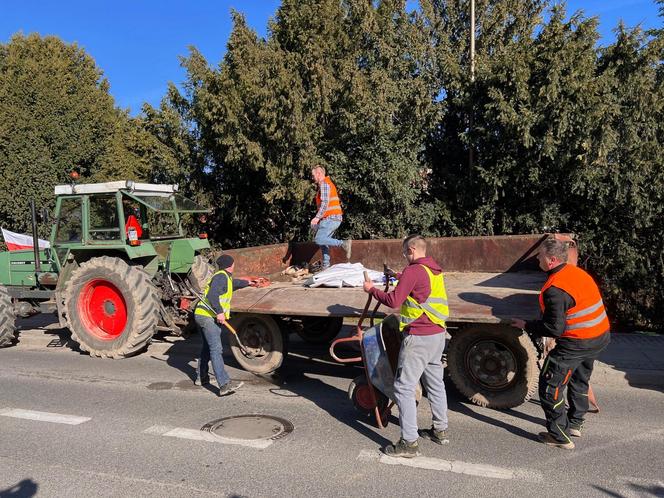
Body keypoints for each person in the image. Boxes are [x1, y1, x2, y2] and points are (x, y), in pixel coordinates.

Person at [511, 239, 610, 450]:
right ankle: (575, 422)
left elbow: (553, 329)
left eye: (540, 255)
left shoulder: (555, 289)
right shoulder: (577, 274)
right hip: (598, 336)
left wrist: (526, 324)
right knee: (580, 379)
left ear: (552, 260)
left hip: (577, 342)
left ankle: (559, 435)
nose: (537, 258)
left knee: (550, 386)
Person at [363, 235, 450, 458]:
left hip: (419, 337)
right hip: (437, 335)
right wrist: (397, 276)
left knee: (403, 387)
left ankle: (409, 443)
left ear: (411, 250)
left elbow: (393, 301)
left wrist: (371, 289)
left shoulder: (414, 271)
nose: (404, 257)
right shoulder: (433, 270)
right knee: (436, 383)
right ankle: (440, 430)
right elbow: (420, 286)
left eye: (404, 253)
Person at [194, 254, 249, 396]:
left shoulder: (225, 277)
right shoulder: (220, 277)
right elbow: (212, 295)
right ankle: (224, 384)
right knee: (216, 349)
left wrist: (249, 282)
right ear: (231, 264)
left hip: (202, 315)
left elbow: (234, 283)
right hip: (207, 317)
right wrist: (219, 312)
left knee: (207, 347)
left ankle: (201, 377)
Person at [310, 165, 351, 269]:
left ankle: (343, 244)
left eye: (313, 175)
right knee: (324, 243)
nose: (312, 177)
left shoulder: (324, 184)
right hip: (332, 218)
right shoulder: (327, 184)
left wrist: (317, 218)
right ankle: (326, 266)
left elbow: (325, 203)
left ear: (319, 174)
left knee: (319, 239)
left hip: (331, 218)